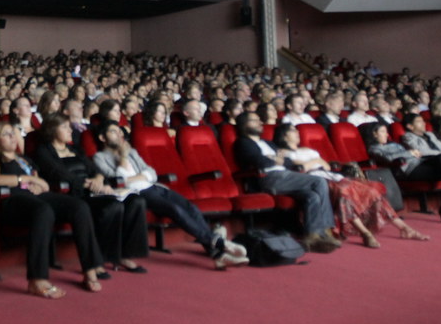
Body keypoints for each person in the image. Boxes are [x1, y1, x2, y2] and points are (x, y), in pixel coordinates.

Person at [93, 121, 248, 270]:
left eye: (120, 131)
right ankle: (219, 243)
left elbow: (151, 173)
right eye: (113, 132)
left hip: (155, 187)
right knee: (175, 209)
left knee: (191, 208)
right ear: (102, 137)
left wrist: (139, 173)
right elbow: (119, 180)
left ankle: (217, 253)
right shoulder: (100, 157)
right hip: (137, 194)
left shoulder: (132, 152)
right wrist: (124, 158)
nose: (119, 135)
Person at [0, 121, 105, 298]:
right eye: (6, 134)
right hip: (11, 199)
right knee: (43, 210)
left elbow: (42, 183)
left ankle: (90, 268)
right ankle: (37, 279)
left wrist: (39, 186)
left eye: (12, 133)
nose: (12, 137)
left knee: (79, 206)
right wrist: (24, 179)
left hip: (36, 196)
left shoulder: (24, 159)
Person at [272, 124, 428, 247]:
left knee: (372, 191)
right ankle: (365, 233)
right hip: (314, 180)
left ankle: (404, 228)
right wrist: (315, 162)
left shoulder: (306, 149)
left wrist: (314, 162)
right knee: (344, 192)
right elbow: (301, 167)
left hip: (330, 175)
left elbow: (325, 165)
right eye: (293, 131)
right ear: (284, 136)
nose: (298, 133)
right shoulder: (282, 153)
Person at [32, 114, 148, 274]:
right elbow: (60, 174)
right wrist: (89, 184)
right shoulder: (44, 151)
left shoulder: (75, 149)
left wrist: (100, 180)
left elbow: (94, 170)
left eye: (69, 126)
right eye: (64, 127)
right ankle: (100, 258)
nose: (70, 130)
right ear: (52, 130)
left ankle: (125, 254)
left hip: (94, 189)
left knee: (136, 201)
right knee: (112, 206)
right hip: (74, 193)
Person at [233, 112, 340, 252]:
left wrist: (277, 158)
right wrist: (274, 159)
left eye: (260, 120)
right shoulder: (243, 143)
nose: (260, 123)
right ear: (244, 125)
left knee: (311, 196)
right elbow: (258, 161)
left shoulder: (267, 143)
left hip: (285, 175)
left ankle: (311, 236)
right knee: (319, 182)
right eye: (254, 120)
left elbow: (287, 160)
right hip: (268, 178)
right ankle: (326, 230)